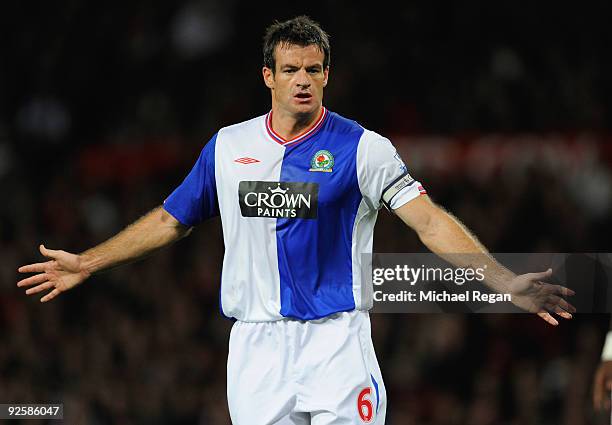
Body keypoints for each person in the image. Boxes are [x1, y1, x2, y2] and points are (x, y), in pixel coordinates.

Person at [18, 16, 575, 425]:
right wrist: (88, 262)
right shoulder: (228, 147)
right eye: (290, 69)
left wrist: (504, 283)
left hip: (336, 342)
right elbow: (171, 219)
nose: (302, 79)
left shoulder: (364, 149)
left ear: (327, 74)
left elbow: (428, 222)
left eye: (313, 69)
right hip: (256, 348)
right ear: (269, 76)